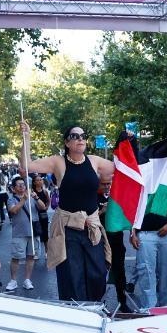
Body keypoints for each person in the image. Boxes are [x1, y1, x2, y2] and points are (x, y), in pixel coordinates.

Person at [20, 122, 115, 302]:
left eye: (83, 136)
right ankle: (78, 315)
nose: (80, 139)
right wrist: (26, 138)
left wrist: (129, 143)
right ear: (67, 142)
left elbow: (124, 167)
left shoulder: (94, 161)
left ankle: (93, 307)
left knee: (98, 273)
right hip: (68, 229)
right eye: (75, 136)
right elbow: (26, 166)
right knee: (73, 276)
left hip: (92, 227)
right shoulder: (58, 162)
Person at [130, 187, 167, 312]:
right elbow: (132, 210)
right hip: (145, 233)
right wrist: (132, 233)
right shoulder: (141, 185)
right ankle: (149, 309)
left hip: (166, 235)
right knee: (146, 275)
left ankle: (166, 308)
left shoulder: (165, 184)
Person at [5, 175, 46, 291]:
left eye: (23, 184)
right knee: (16, 257)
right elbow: (13, 210)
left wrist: (36, 198)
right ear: (13, 188)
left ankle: (27, 280)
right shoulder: (11, 199)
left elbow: (43, 207)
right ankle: (13, 280)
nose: (22, 187)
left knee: (31, 257)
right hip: (19, 233)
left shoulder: (32, 197)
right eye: (19, 185)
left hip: (33, 232)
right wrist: (23, 199)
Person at [31, 174, 51, 253]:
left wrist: (46, 207)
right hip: (34, 214)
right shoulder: (32, 192)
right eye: (38, 180)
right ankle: (36, 251)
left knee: (45, 232)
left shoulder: (45, 191)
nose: (40, 181)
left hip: (43, 215)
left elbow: (48, 200)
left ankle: (47, 251)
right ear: (34, 182)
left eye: (41, 180)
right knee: (36, 232)